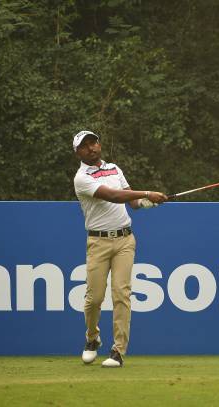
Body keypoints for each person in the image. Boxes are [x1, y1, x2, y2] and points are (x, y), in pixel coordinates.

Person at [72, 130, 167, 367]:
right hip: (98, 242)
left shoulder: (115, 169)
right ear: (78, 153)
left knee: (121, 294)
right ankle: (92, 339)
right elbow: (114, 196)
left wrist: (148, 202)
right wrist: (148, 192)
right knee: (94, 298)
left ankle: (118, 351)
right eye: (86, 145)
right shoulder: (82, 178)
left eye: (94, 142)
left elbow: (131, 203)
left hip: (125, 240)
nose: (92, 147)